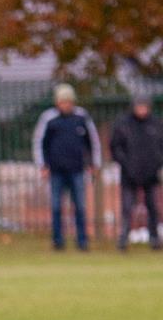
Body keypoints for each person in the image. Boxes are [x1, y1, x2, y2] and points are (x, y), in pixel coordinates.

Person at [31, 83, 102, 251]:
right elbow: (39, 142)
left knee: (80, 206)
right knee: (56, 207)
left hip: (77, 170)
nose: (66, 105)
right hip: (56, 171)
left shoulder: (82, 117)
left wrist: (94, 164)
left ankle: (82, 241)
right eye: (62, 102)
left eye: (68, 102)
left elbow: (93, 142)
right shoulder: (48, 118)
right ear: (57, 102)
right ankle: (58, 241)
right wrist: (42, 165)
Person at [108, 94, 162, 251]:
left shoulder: (156, 124)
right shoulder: (123, 124)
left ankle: (154, 238)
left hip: (151, 174)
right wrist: (126, 165)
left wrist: (157, 164)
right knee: (127, 207)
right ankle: (123, 238)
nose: (142, 110)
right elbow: (115, 147)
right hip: (129, 174)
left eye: (144, 106)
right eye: (139, 106)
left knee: (153, 207)